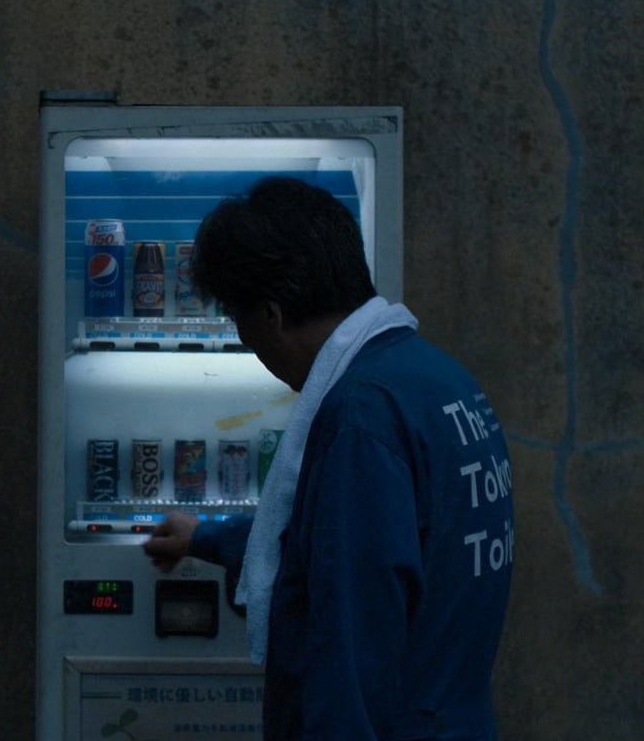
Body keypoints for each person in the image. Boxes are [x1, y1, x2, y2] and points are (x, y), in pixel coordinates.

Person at [142, 177, 513, 740]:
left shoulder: (359, 416)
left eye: (240, 324)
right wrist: (207, 538)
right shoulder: (437, 378)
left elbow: (351, 631)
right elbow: (354, 537)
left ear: (269, 315)